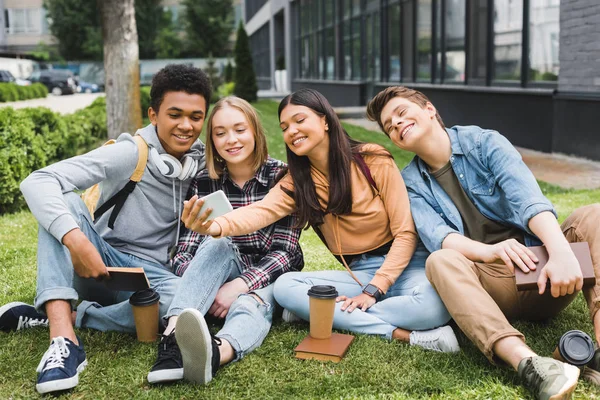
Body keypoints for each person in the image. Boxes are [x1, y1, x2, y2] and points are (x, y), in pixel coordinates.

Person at [181, 88, 459, 359]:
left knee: (435, 308)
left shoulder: (372, 159)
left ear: (325, 120)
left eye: (300, 120)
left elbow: (406, 233)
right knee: (285, 287)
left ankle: (316, 314)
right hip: (358, 272)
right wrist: (215, 226)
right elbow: (259, 211)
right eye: (285, 126)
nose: (292, 131)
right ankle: (402, 334)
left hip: (408, 265)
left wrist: (374, 290)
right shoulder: (298, 182)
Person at [366, 86, 600, 399]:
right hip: (491, 285)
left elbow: (527, 198)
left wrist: (559, 252)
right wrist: (491, 252)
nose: (396, 125)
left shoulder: (484, 142)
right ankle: (530, 365)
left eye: (401, 114)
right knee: (440, 260)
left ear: (429, 109)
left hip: (545, 273)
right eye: (389, 126)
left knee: (594, 215)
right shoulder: (409, 182)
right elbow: (440, 237)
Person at [0, 64, 211, 395]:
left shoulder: (199, 162)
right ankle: (62, 339)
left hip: (151, 278)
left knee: (191, 303)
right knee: (65, 203)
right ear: (154, 115)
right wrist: (77, 242)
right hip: (99, 264)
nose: (186, 125)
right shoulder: (130, 153)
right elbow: (38, 180)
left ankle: (79, 315)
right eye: (175, 114)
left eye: (196, 117)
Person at [146, 96, 304, 386]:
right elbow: (185, 251)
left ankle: (217, 353)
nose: (231, 140)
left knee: (250, 302)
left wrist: (240, 286)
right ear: (212, 140)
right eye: (220, 133)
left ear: (255, 132)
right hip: (221, 267)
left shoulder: (282, 177)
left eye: (240, 130)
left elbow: (286, 252)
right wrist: (209, 283)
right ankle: (173, 339)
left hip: (269, 277)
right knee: (217, 243)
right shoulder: (205, 181)